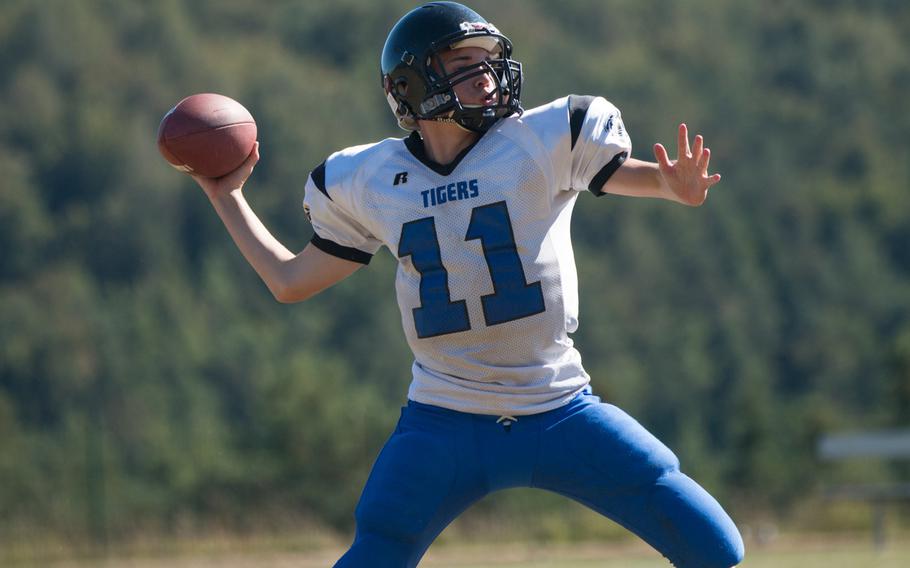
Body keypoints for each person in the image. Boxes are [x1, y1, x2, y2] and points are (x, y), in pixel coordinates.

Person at [190, 2, 745, 566]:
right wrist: (226, 196)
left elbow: (626, 176)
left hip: (557, 405)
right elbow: (289, 281)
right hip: (443, 417)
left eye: (489, 60)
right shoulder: (371, 179)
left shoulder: (539, 139)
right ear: (411, 82)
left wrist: (674, 187)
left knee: (716, 546)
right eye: (463, 62)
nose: (487, 73)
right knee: (376, 552)